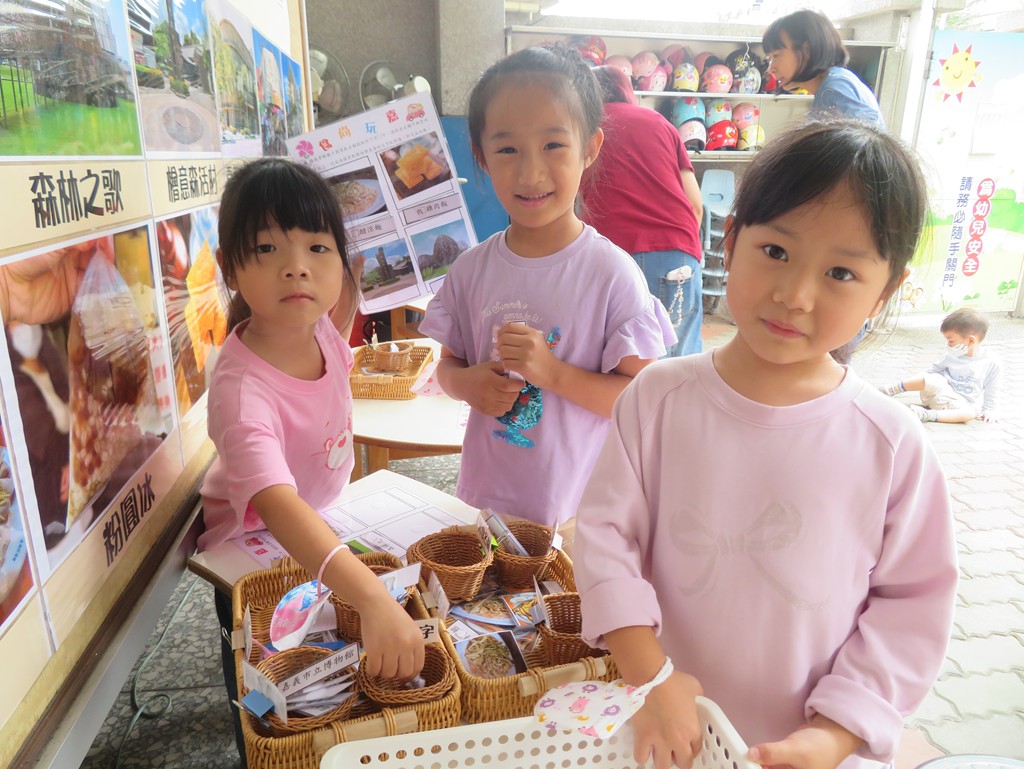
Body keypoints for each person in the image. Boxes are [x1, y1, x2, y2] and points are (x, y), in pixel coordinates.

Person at [573, 120, 958, 769]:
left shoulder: (892, 443)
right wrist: (651, 677)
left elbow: (911, 609)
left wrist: (835, 733)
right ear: (730, 241)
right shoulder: (658, 397)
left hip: (812, 751)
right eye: (776, 251)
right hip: (665, 733)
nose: (794, 295)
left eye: (840, 272)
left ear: (884, 291)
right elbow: (606, 541)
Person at [197, 158, 425, 762]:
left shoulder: (319, 326)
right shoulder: (241, 390)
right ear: (229, 268)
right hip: (252, 551)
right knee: (266, 692)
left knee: (322, 673)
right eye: (267, 248)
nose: (296, 265)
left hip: (320, 523)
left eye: (317, 247)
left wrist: (356, 275)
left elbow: (341, 315)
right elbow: (277, 505)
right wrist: (370, 598)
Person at [420, 45, 676, 537]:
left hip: (580, 513)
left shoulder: (611, 274)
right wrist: (467, 384)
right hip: (487, 503)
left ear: (590, 147)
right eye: (507, 149)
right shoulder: (471, 270)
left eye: (553, 145)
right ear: (481, 156)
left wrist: (552, 372)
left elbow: (637, 401)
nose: (530, 173)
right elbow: (447, 367)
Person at [580, 65, 704, 357]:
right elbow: (695, 205)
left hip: (611, 255)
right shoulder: (661, 124)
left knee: (623, 363)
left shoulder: (583, 130)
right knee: (678, 361)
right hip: (677, 250)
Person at [763, 9, 885, 128]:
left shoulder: (834, 89)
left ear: (807, 50)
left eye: (776, 55)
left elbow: (864, 139)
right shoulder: (830, 86)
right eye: (769, 60)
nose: (770, 69)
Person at [880, 307, 1002, 423]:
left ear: (971, 340)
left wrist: (989, 410)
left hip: (956, 404)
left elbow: (993, 388)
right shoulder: (951, 355)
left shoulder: (991, 362)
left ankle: (926, 415)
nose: (948, 345)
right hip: (937, 393)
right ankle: (890, 390)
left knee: (970, 413)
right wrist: (918, 381)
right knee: (934, 378)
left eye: (951, 340)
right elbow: (930, 372)